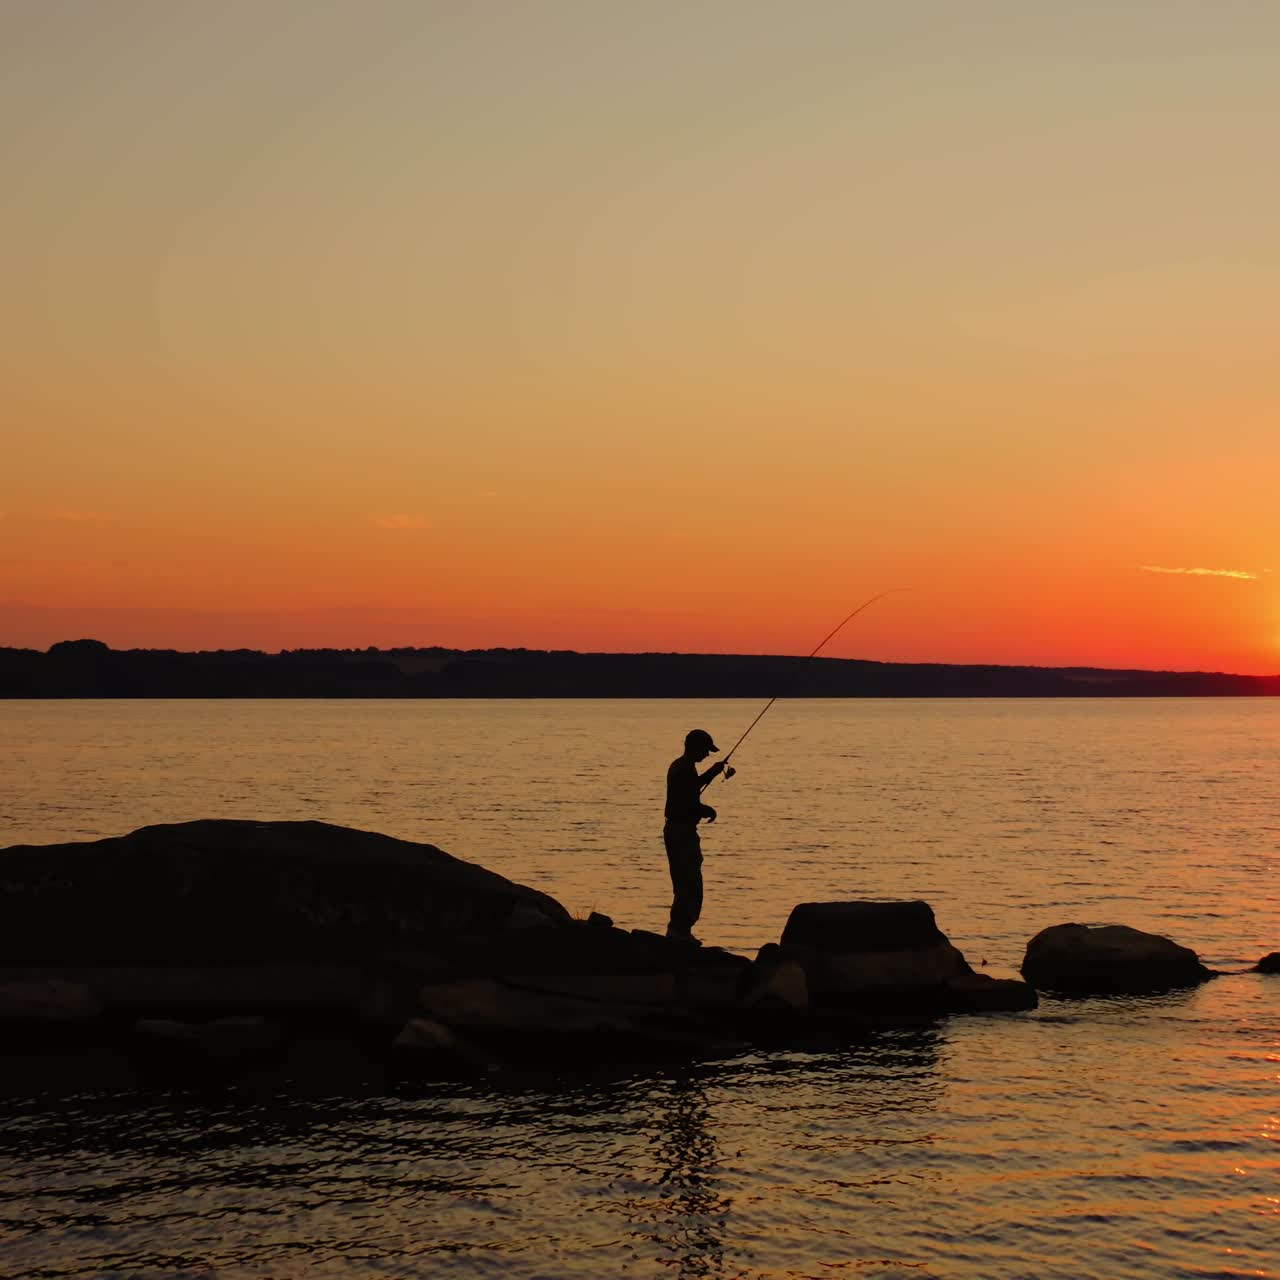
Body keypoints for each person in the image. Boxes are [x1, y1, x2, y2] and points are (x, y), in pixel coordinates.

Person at [663, 728, 734, 944]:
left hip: (678, 830)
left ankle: (679, 930)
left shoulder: (682, 767)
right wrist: (707, 811)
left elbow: (691, 788)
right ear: (696, 747)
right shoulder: (683, 769)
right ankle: (679, 931)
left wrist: (713, 772)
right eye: (706, 750)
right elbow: (687, 802)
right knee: (690, 881)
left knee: (685, 880)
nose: (707, 755)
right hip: (681, 831)